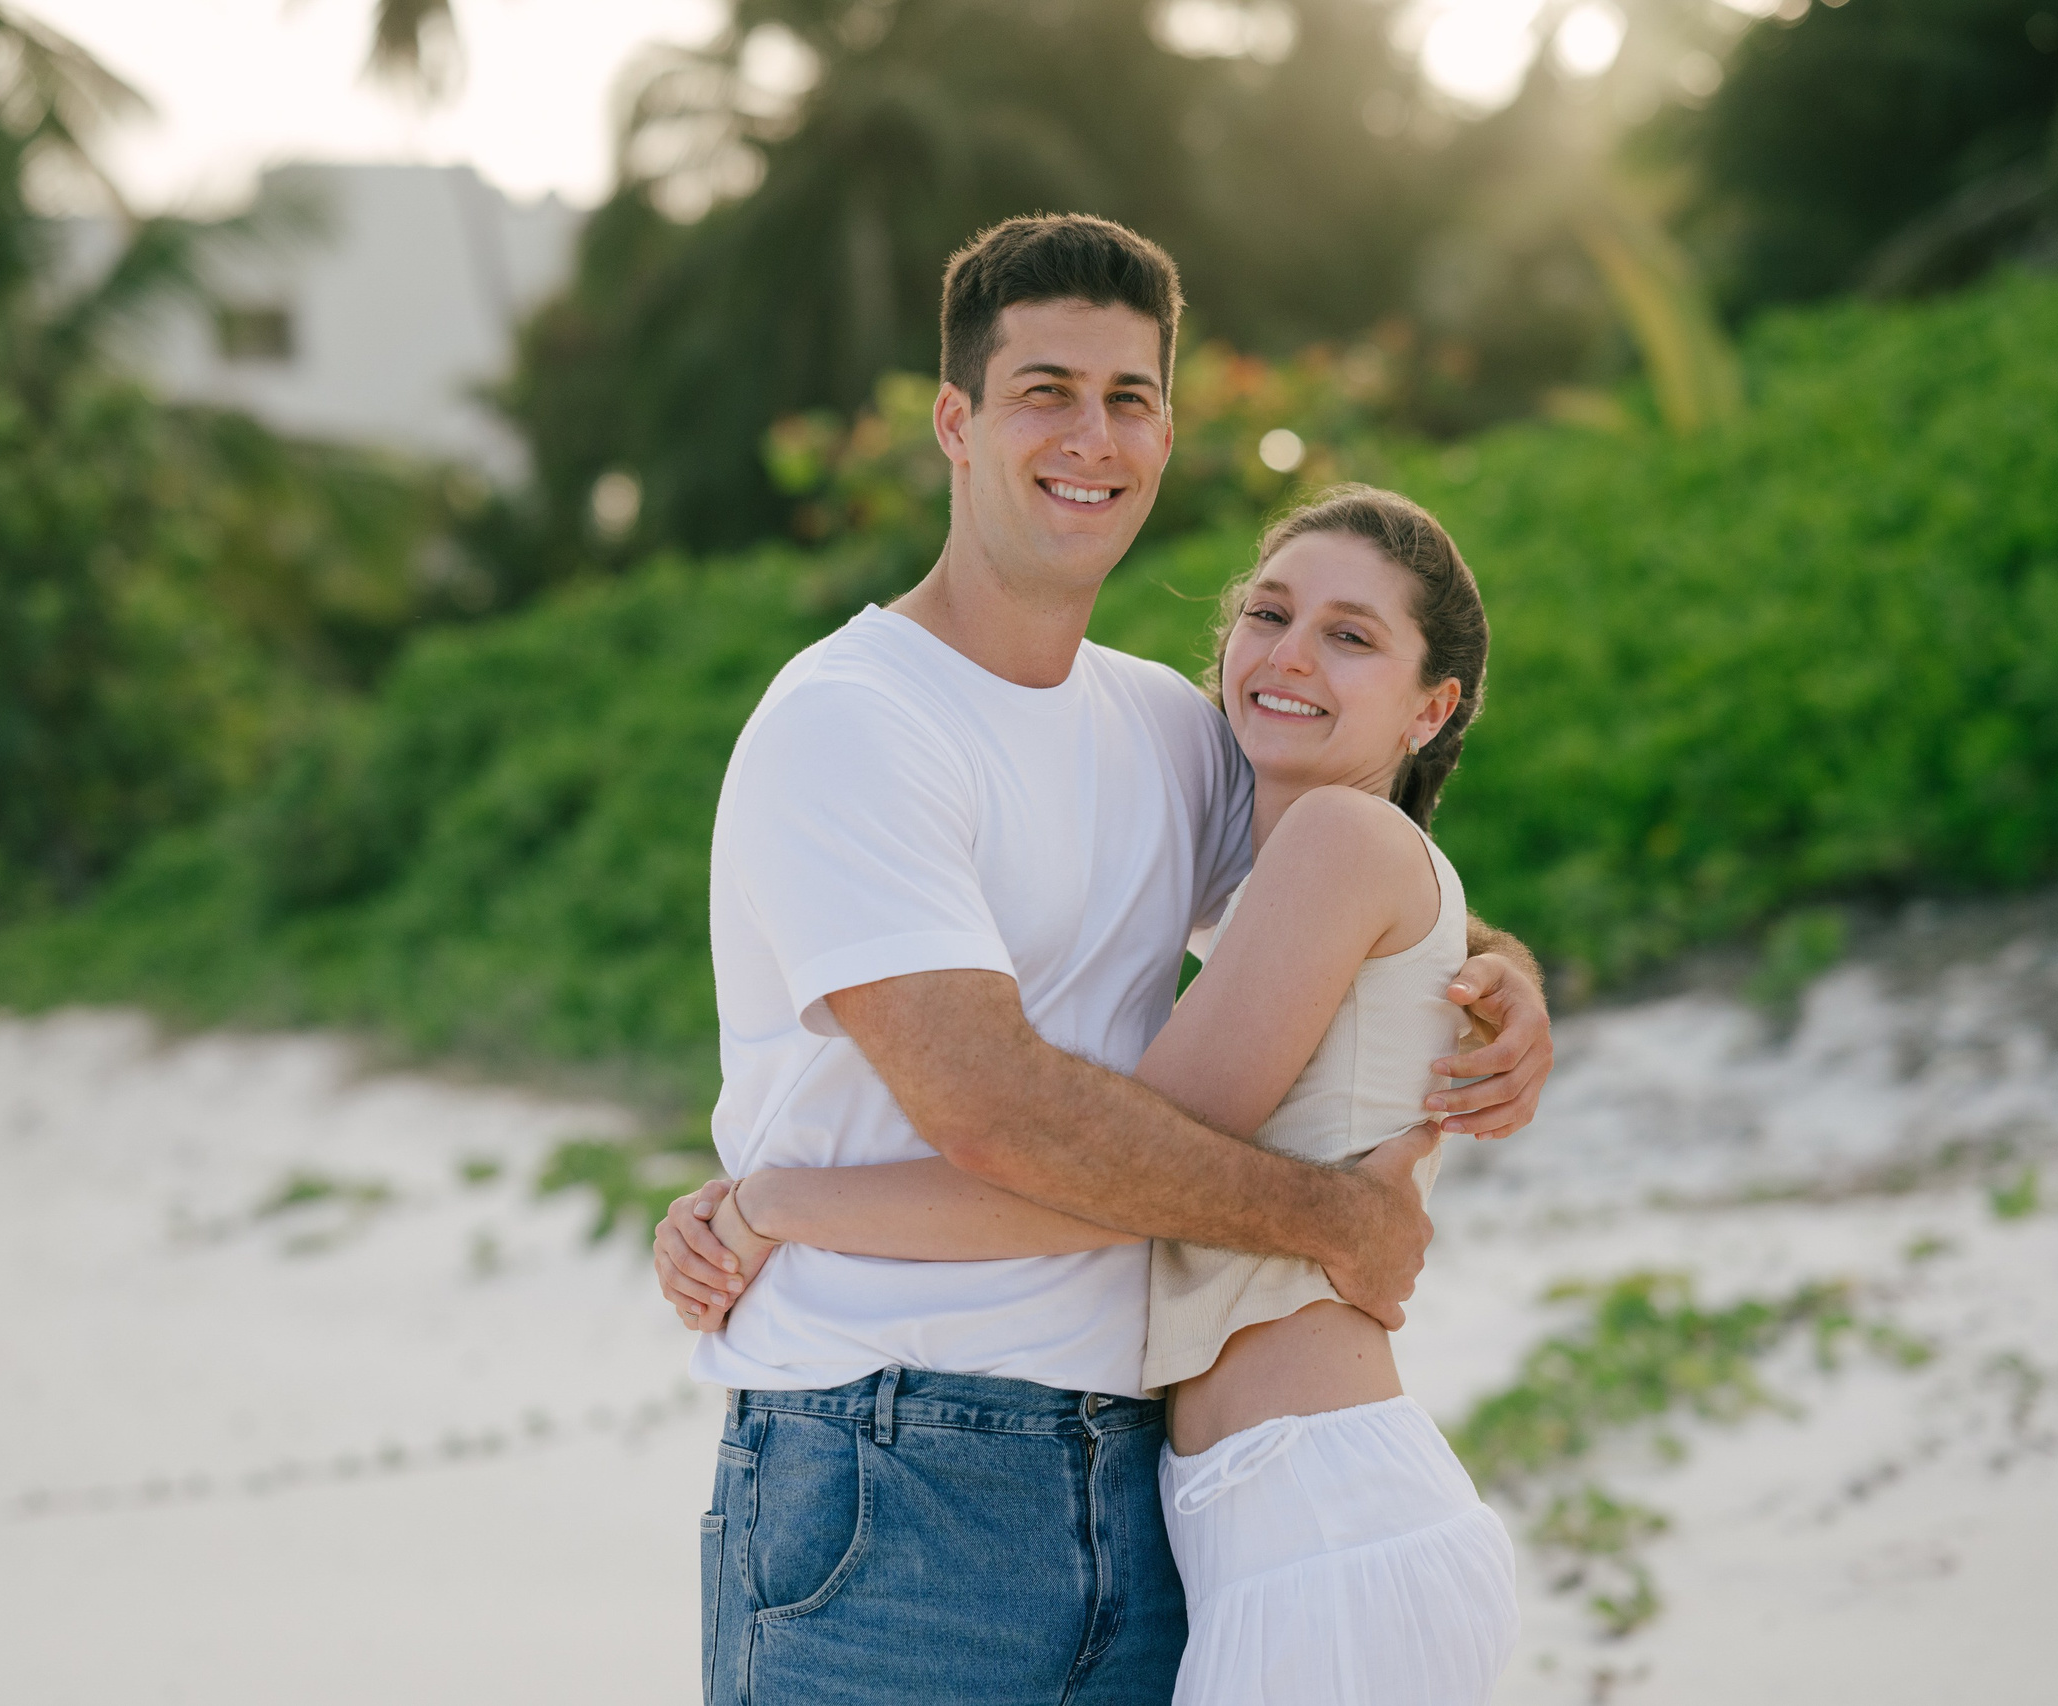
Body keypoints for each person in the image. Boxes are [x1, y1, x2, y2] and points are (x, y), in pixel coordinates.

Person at [653, 214, 1552, 1706]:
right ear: (955, 420)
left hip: (1142, 1493)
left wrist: (1506, 978)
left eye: (1128, 397)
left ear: (1168, 429)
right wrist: (1332, 1211)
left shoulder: (1160, 730)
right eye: (1045, 390)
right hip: (893, 1481)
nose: (1092, 435)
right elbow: (1004, 1112)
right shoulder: (856, 722)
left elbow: (1346, 877)